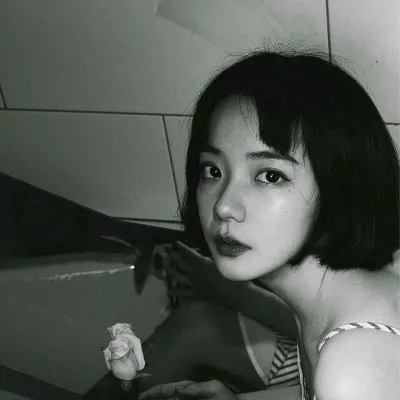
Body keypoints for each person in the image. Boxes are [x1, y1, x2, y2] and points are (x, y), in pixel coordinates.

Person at [137, 50, 400, 400]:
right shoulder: (356, 290)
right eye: (213, 170)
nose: (223, 206)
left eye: (270, 175)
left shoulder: (350, 370)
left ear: (340, 184)